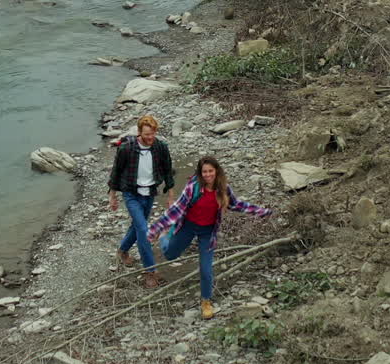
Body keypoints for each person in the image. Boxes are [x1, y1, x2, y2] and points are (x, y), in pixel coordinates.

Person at [147, 156, 272, 319]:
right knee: (170, 254)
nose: (207, 175)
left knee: (206, 269)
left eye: (210, 171)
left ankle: (206, 301)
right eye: (204, 172)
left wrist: (261, 211)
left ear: (216, 171)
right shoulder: (193, 188)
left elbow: (238, 205)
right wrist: (156, 229)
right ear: (200, 173)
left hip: (208, 232)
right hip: (188, 227)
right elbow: (175, 210)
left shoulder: (223, 189)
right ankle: (165, 237)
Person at [107, 115, 176, 288]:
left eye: (152, 134)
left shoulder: (160, 147)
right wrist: (112, 196)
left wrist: (170, 195)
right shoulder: (126, 149)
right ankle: (150, 271)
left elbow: (168, 170)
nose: (150, 138)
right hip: (131, 194)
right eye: (146, 134)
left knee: (137, 227)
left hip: (149, 193)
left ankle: (122, 251)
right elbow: (116, 172)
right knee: (144, 231)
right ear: (139, 132)